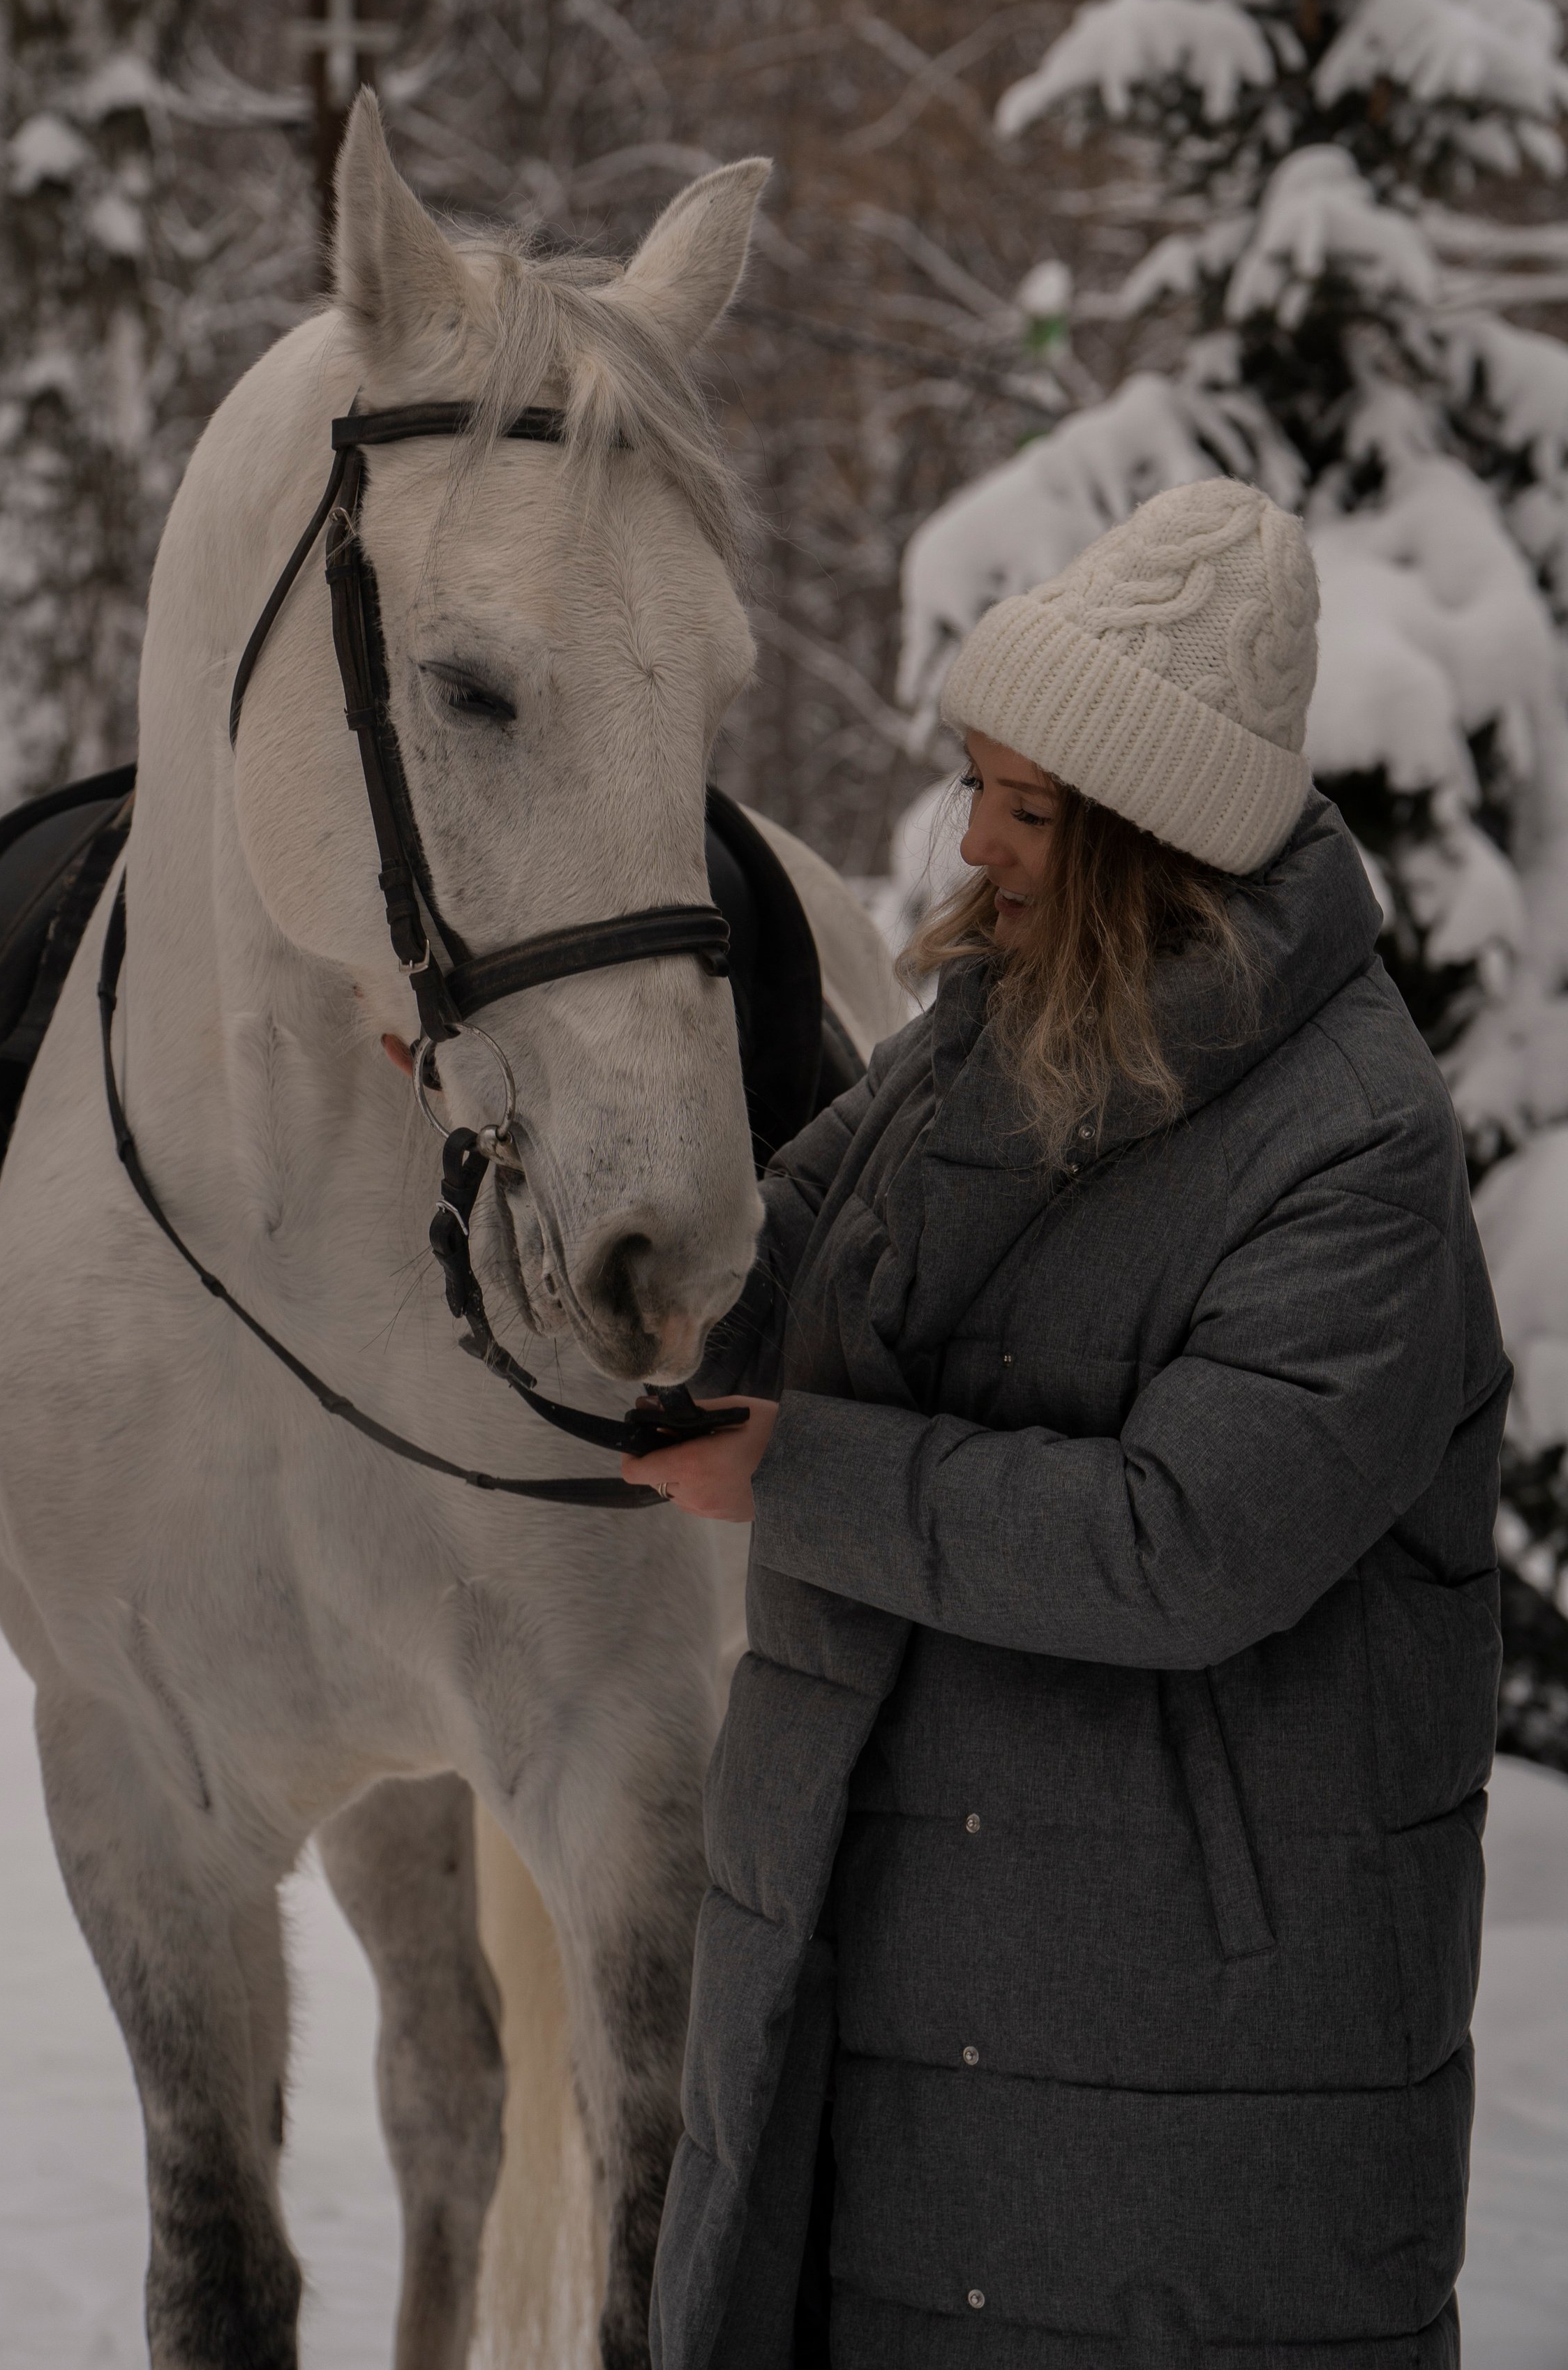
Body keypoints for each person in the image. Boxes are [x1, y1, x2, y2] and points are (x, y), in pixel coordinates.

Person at [629, 478, 1506, 2370]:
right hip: (874, 1971)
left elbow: (1181, 1543)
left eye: (1031, 811)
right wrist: (559, 1190)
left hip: (1182, 2067)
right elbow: (745, 1278)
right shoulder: (982, 1034)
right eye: (978, 784)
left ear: (1155, 843)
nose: (976, 845)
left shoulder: (1355, 1141)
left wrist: (800, 1472)